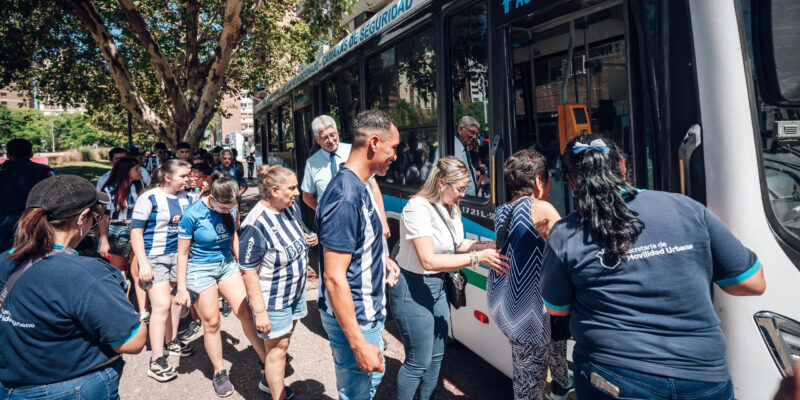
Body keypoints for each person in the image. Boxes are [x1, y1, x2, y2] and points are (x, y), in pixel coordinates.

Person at [541, 134, 767, 399]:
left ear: (571, 180)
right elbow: (751, 283)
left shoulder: (565, 233)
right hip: (703, 375)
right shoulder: (687, 208)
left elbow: (557, 308)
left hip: (613, 377)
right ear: (623, 166)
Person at [0, 175, 147, 398]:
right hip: (72, 388)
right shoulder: (89, 274)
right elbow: (132, 342)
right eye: (95, 218)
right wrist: (124, 301)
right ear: (83, 218)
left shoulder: (5, 260)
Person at [389, 156, 507, 400]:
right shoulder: (417, 208)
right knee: (417, 362)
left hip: (437, 287)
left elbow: (458, 244)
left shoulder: (451, 208)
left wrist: (488, 245)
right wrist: (478, 259)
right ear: (442, 182)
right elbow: (428, 260)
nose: (463, 194)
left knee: (436, 356)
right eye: (461, 189)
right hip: (412, 289)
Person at [316, 109, 402, 400]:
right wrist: (357, 343)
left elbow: (358, 243)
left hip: (367, 310)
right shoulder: (345, 196)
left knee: (369, 384)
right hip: (357, 314)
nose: (395, 156)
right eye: (393, 148)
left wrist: (382, 258)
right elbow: (334, 278)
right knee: (357, 394)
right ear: (374, 143)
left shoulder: (360, 184)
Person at [174, 174, 267, 397]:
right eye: (223, 207)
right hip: (199, 270)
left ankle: (266, 360)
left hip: (226, 265)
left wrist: (243, 265)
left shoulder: (231, 207)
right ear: (211, 197)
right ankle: (219, 371)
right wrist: (181, 287)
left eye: (230, 207)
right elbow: (182, 253)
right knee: (212, 322)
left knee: (245, 311)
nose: (227, 211)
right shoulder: (192, 214)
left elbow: (234, 236)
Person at [487, 149, 570, 400]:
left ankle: (560, 385)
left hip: (503, 304)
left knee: (554, 346)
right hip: (527, 317)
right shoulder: (541, 209)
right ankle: (559, 387)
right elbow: (568, 251)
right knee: (528, 387)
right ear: (537, 182)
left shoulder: (503, 209)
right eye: (548, 180)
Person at [240, 166, 319, 400]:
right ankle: (278, 395)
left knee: (283, 344)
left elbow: (293, 240)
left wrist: (308, 237)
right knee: (278, 349)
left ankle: (269, 381)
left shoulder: (290, 208)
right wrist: (260, 312)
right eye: (292, 188)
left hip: (294, 292)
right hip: (272, 299)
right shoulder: (255, 224)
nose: (297, 192)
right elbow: (248, 272)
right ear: (274, 191)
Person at [130, 159, 196, 382]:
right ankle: (156, 359)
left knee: (176, 302)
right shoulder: (148, 198)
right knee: (161, 305)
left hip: (178, 257)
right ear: (167, 177)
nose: (188, 180)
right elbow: (136, 232)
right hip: (153, 257)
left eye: (188, 176)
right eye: (183, 176)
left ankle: (172, 341)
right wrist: (144, 263)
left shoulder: (188, 198)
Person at [301, 114, 390, 237]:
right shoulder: (312, 163)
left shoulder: (354, 151)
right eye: (325, 137)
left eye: (333, 135)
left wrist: (383, 221)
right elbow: (307, 197)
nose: (331, 140)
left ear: (337, 132)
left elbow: (373, 187)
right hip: (331, 226)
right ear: (317, 140)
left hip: (361, 221)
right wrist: (325, 211)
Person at [98, 156, 149, 322]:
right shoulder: (109, 190)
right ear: (126, 171)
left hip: (136, 230)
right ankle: (125, 311)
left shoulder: (140, 186)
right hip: (117, 230)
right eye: (136, 169)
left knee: (138, 272)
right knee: (120, 273)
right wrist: (103, 240)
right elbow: (104, 218)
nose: (140, 171)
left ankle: (143, 311)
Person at [0, 138, 57, 252]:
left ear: (7, 155)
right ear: (31, 154)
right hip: (38, 224)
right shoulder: (45, 172)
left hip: (4, 227)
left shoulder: (2, 173)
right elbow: (57, 196)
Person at [452, 116, 483, 197]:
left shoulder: (464, 150)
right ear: (460, 130)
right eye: (472, 132)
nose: (474, 137)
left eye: (476, 134)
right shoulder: (450, 147)